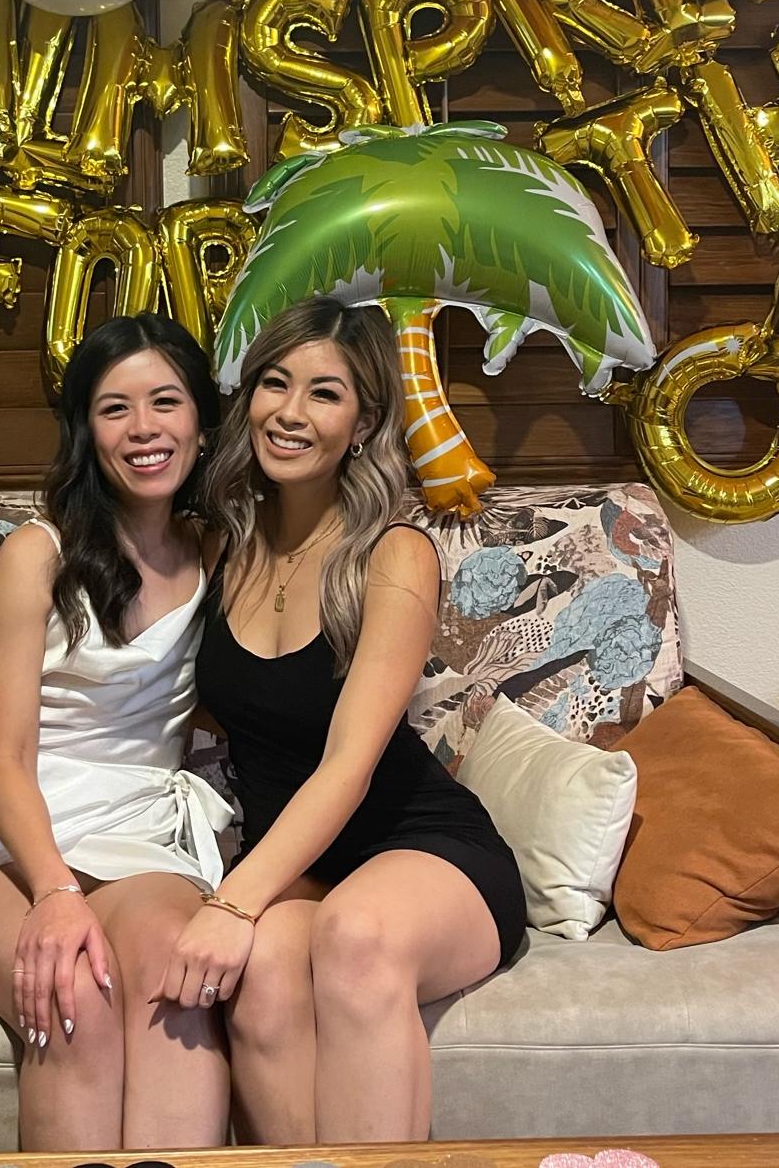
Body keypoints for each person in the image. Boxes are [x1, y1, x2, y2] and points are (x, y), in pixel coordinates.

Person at [165, 295, 528, 1144]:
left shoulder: (392, 554)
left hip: (422, 850)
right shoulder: (218, 546)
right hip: (303, 864)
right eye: (274, 382)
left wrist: (231, 901)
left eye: (323, 393)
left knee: (354, 936)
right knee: (261, 975)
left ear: (362, 423)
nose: (289, 412)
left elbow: (347, 765)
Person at [0, 313, 234, 1152]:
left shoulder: (220, 550)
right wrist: (52, 892)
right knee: (70, 994)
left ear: (201, 422)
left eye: (166, 401)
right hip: (15, 832)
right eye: (115, 408)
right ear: (86, 430)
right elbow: (6, 757)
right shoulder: (37, 553)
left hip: (139, 827)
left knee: (176, 983)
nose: (144, 427)